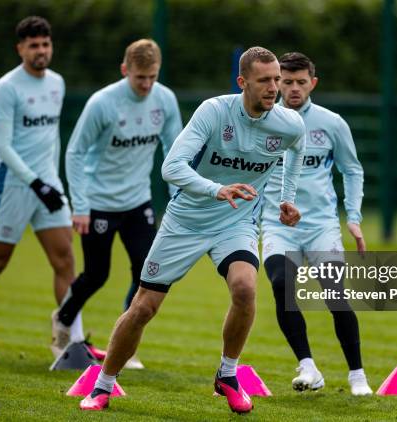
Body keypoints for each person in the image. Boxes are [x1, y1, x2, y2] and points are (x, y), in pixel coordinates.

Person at [79, 46, 306, 413]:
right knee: (143, 308)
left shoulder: (289, 123)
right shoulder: (214, 112)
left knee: (245, 287)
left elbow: (297, 147)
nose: (274, 88)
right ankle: (103, 385)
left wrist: (287, 197)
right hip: (185, 222)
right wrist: (216, 189)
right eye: (265, 80)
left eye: (277, 80)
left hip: (236, 221)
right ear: (242, 82)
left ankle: (227, 375)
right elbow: (172, 167)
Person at [0, 16, 84, 356]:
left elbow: (48, 138)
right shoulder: (7, 88)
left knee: (65, 260)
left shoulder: (57, 83)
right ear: (20, 48)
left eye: (45, 44)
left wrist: (50, 181)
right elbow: (3, 147)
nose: (41, 51)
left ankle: (73, 343)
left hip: (48, 188)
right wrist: (36, 183)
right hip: (14, 188)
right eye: (33, 45)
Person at [51, 39, 183, 366]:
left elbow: (176, 150)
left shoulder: (164, 100)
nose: (147, 84)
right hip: (98, 203)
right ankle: (63, 320)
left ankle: (124, 344)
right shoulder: (103, 103)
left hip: (139, 203)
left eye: (153, 76)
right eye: (140, 77)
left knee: (147, 274)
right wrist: (79, 206)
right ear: (125, 70)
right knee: (97, 274)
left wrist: (180, 194)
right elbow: (75, 152)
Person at [261, 52, 372, 395]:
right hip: (277, 225)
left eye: (301, 82)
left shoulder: (331, 122)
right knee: (282, 285)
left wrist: (353, 218)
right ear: (276, 82)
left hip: (321, 224)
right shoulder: (261, 121)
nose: (293, 89)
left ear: (313, 83)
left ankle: (357, 375)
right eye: (286, 81)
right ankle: (308, 366)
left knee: (335, 296)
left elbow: (352, 170)